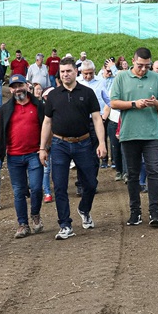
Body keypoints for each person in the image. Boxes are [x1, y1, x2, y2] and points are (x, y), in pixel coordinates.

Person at [41, 58, 106, 239]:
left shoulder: (87, 93)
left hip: (83, 143)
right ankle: (65, 225)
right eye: (62, 72)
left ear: (75, 72)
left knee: (91, 183)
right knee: (60, 185)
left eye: (68, 71)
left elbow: (96, 119)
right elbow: (47, 122)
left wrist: (101, 143)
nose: (65, 74)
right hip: (59, 144)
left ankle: (84, 209)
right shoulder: (53, 96)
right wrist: (42, 148)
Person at [109, 47, 158, 227]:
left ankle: (154, 212)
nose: (143, 69)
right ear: (133, 61)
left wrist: (154, 103)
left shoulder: (156, 78)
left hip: (151, 134)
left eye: (147, 66)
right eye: (140, 65)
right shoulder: (121, 77)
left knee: (153, 172)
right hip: (129, 133)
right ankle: (135, 212)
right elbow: (113, 102)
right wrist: (134, 103)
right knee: (133, 174)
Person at [0, 74, 46, 238]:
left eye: (20, 85)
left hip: (34, 154)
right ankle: (23, 224)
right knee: (18, 191)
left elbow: (47, 126)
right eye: (14, 86)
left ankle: (35, 214)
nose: (17, 89)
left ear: (27, 86)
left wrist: (45, 148)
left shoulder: (39, 106)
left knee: (36, 188)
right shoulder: (6, 109)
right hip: (14, 156)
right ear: (10, 89)